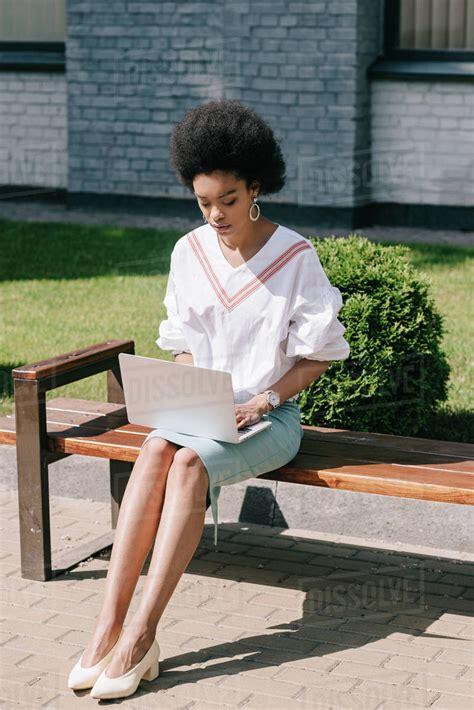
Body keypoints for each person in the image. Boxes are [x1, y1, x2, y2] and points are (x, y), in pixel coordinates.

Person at [68, 98, 351, 700]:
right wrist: (190, 384)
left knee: (189, 463)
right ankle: (106, 628)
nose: (216, 214)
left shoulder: (296, 256)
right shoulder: (188, 253)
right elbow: (183, 345)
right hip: (203, 412)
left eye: (228, 199)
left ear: (256, 187)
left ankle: (143, 635)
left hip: (270, 418)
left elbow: (319, 355)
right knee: (152, 452)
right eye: (203, 202)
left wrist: (263, 400)